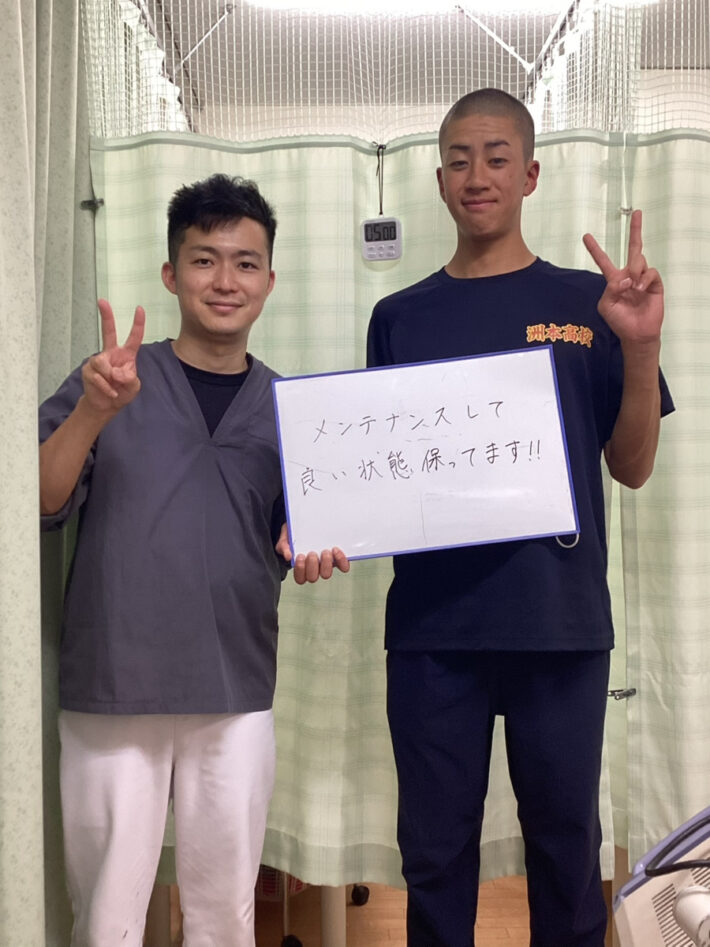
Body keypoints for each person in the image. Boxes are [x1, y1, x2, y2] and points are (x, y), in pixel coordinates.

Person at [366, 88, 674, 947]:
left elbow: (633, 466)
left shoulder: (592, 303)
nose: (478, 175)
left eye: (497, 157)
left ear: (530, 174)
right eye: (459, 159)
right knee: (433, 856)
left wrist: (641, 346)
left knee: (567, 852)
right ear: (439, 179)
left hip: (558, 622)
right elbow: (380, 476)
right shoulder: (400, 317)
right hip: (433, 630)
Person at [39, 173, 348, 947]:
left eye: (245, 262)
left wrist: (314, 544)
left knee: (224, 915)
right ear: (171, 274)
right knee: (106, 916)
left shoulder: (292, 411)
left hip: (234, 687)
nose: (225, 280)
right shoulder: (112, 379)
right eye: (204, 260)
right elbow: (39, 498)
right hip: (115, 683)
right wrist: (93, 411)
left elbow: (300, 533)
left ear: (270, 280)